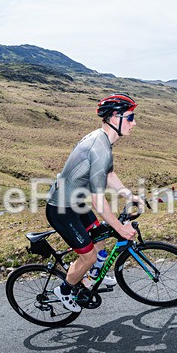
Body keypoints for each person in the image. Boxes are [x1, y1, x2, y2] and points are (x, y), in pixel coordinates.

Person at [45, 93, 140, 312]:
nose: (134, 123)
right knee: (87, 256)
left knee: (100, 237)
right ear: (115, 118)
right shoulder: (99, 147)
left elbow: (109, 175)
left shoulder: (104, 140)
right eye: (130, 117)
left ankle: (92, 276)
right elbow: (98, 201)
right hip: (61, 209)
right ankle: (65, 290)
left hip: (75, 202)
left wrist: (129, 196)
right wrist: (121, 229)